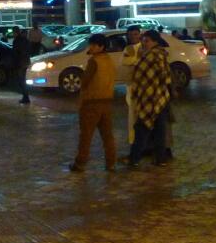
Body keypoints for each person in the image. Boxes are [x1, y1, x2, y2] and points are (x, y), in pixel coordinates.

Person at [70, 34, 117, 172]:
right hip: (107, 102)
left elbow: (85, 81)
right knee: (107, 135)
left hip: (92, 102)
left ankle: (80, 163)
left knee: (86, 135)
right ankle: (111, 162)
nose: (90, 47)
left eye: (93, 45)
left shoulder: (94, 61)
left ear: (101, 46)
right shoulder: (109, 60)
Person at [128, 31, 172, 167]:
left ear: (155, 42)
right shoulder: (162, 54)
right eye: (143, 41)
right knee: (159, 130)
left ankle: (134, 159)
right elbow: (166, 77)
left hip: (149, 97)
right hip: (161, 97)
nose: (144, 43)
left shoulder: (151, 56)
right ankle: (160, 158)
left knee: (142, 128)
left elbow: (139, 74)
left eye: (147, 41)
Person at [121, 25, 143, 148]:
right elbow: (124, 63)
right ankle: (134, 142)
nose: (133, 37)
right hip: (131, 86)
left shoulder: (143, 48)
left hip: (143, 87)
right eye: (130, 35)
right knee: (132, 117)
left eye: (135, 34)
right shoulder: (128, 49)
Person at [12, 27, 32, 104]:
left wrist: (15, 63)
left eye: (13, 32)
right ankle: (25, 96)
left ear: (15, 32)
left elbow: (16, 53)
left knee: (21, 80)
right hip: (25, 61)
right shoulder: (24, 40)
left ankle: (26, 97)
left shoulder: (17, 40)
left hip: (21, 62)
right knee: (22, 79)